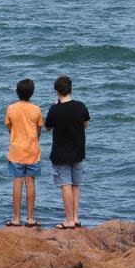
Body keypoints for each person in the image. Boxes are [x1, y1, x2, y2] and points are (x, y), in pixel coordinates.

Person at [45, 75, 90, 230]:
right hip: (78, 152)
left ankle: (69, 220)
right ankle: (76, 218)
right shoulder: (80, 106)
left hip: (60, 154)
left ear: (57, 91)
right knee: (76, 185)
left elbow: (48, 127)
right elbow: (86, 124)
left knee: (65, 185)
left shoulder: (54, 109)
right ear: (71, 89)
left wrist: (55, 106)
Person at [4, 79, 44, 227]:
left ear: (17, 92)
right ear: (32, 93)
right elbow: (39, 130)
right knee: (30, 183)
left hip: (16, 151)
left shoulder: (11, 108)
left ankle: (15, 219)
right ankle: (30, 218)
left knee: (17, 183)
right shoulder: (36, 109)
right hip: (32, 151)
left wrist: (15, 138)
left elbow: (9, 127)